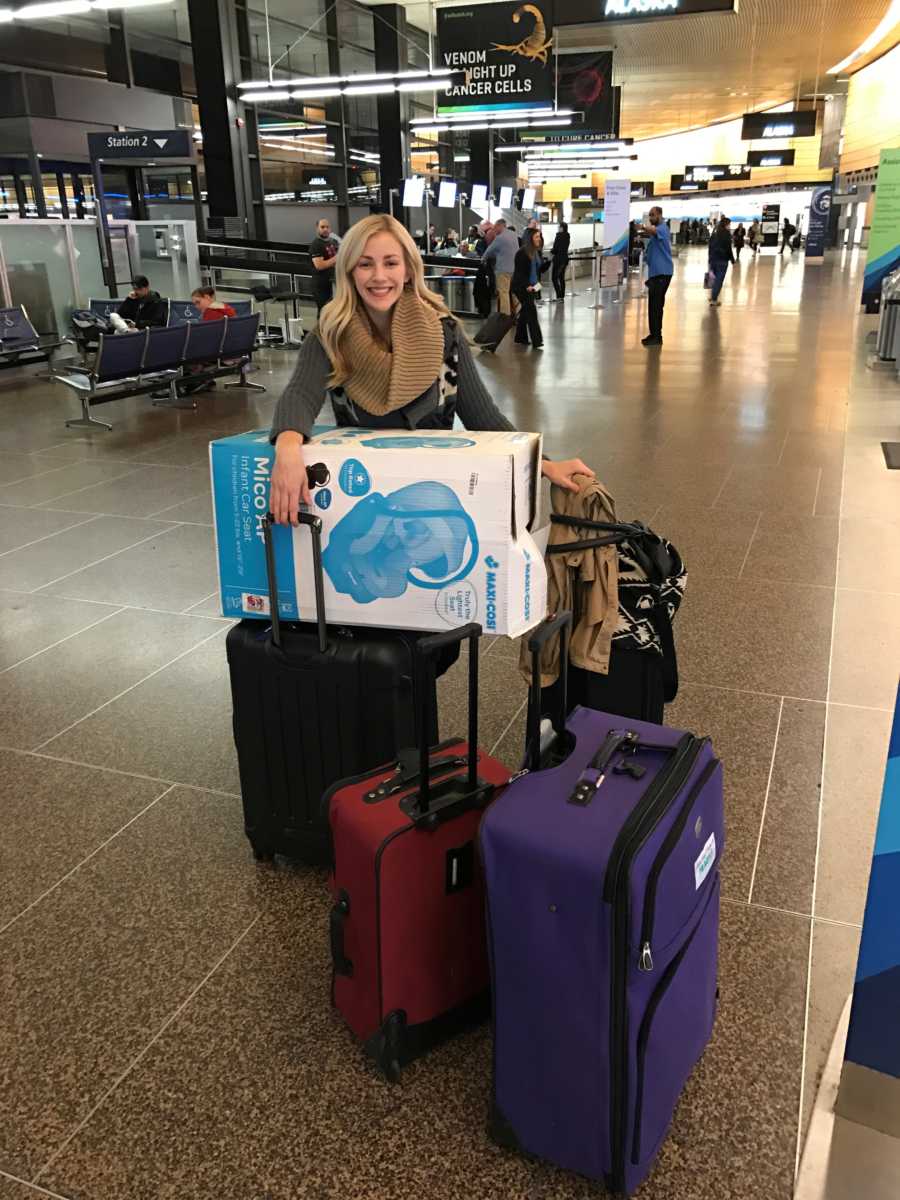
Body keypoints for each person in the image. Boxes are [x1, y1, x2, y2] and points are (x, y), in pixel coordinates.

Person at [268, 214, 591, 523]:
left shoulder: (443, 333)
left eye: (391, 263)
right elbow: (300, 394)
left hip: (429, 498)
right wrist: (287, 447)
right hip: (356, 497)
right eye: (365, 264)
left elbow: (483, 417)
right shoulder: (331, 333)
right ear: (350, 270)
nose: (379, 276)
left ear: (408, 269)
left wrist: (543, 464)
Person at [638, 206, 673, 348]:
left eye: (652, 215)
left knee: (656, 306)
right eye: (649, 215)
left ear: (659, 215)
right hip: (656, 275)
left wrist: (641, 226)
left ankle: (657, 336)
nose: (651, 218)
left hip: (662, 274)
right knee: (653, 306)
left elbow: (652, 230)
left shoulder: (662, 228)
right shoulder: (655, 232)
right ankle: (654, 334)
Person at [512, 228, 548, 349]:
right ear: (530, 238)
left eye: (539, 237)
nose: (539, 239)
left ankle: (520, 337)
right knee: (531, 312)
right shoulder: (521, 253)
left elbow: (539, 269)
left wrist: (547, 264)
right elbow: (519, 273)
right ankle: (537, 341)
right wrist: (526, 285)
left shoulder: (536, 252)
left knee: (525, 312)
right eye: (537, 237)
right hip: (522, 286)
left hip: (532, 286)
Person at [482, 218, 520, 316]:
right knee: (514, 293)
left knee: (504, 293)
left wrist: (483, 259)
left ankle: (505, 317)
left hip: (503, 270)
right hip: (515, 268)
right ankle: (519, 312)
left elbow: (489, 251)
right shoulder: (513, 235)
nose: (494, 229)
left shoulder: (500, 238)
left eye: (495, 227)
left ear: (500, 226)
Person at [310, 218, 340, 314]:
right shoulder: (316, 244)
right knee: (323, 313)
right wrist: (337, 257)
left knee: (331, 313)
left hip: (331, 283)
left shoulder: (331, 242)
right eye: (322, 227)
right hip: (320, 285)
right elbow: (319, 265)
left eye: (327, 227)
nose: (325, 229)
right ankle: (321, 329)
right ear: (317, 228)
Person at [707, 217, 735, 306]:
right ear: (726, 224)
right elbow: (728, 248)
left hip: (713, 259)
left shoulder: (714, 232)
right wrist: (732, 259)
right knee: (719, 279)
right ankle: (714, 299)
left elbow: (710, 245)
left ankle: (712, 296)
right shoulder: (726, 233)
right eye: (729, 224)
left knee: (712, 278)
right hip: (722, 259)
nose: (729, 226)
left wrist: (709, 257)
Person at [550, 221, 570, 301]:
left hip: (558, 260)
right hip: (565, 259)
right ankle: (562, 296)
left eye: (559, 227)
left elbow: (556, 249)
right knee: (561, 278)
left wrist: (552, 251)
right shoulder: (567, 236)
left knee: (554, 278)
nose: (558, 228)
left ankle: (559, 296)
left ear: (561, 228)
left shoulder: (558, 236)